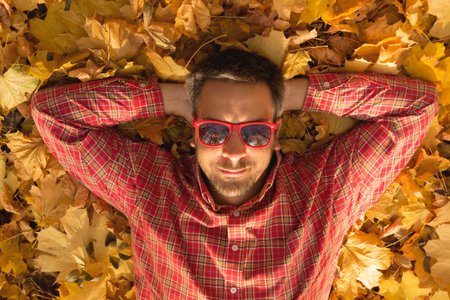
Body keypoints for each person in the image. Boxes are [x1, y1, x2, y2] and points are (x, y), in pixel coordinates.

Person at [31, 48, 438, 299]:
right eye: (213, 130)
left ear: (277, 134)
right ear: (193, 133)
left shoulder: (325, 190)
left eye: (256, 132)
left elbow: (417, 107)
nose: (233, 152)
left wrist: (290, 94)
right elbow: (54, 116)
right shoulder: (150, 186)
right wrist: (175, 98)